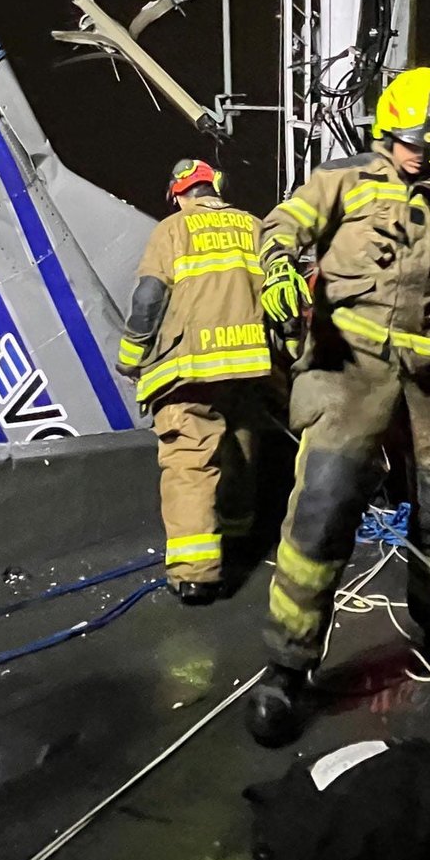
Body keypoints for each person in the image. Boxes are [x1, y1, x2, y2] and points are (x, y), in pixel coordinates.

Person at [246, 67, 430, 746]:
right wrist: (279, 266)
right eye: (412, 136)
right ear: (387, 129)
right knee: (320, 512)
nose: (422, 148)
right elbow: (283, 224)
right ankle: (288, 667)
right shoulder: (343, 178)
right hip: (351, 365)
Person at [115, 159, 271, 606]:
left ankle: (196, 575)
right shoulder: (255, 227)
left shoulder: (173, 229)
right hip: (248, 364)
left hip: (189, 369)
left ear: (179, 194)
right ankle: (239, 536)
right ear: (215, 187)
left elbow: (148, 296)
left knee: (189, 460)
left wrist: (131, 356)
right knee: (241, 446)